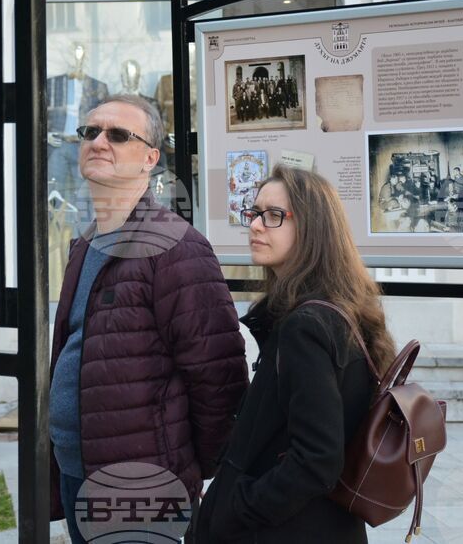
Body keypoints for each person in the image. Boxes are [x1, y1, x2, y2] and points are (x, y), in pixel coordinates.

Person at [49, 94, 248, 543]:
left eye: (119, 135)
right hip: (77, 472)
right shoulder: (83, 245)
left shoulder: (177, 247)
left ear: (150, 159)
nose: (99, 141)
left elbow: (218, 378)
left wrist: (189, 471)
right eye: (90, 132)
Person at [192, 166, 396, 543]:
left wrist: (240, 506)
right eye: (254, 213)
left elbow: (317, 459)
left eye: (274, 216)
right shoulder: (342, 309)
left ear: (313, 228)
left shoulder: (306, 326)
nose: (255, 225)